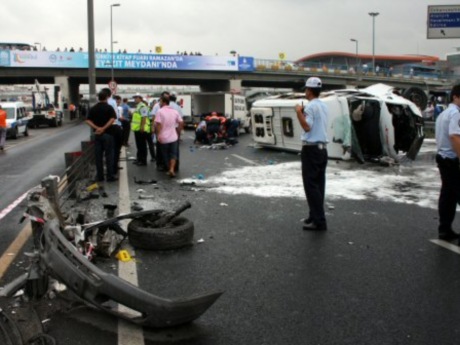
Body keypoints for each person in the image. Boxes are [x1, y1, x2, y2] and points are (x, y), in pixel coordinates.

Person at [295, 77, 329, 231]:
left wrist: (298, 113)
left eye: (305, 89)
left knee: (311, 185)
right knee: (319, 185)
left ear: (309, 90)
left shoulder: (310, 107)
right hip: (322, 150)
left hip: (311, 149)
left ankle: (319, 221)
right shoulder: (324, 106)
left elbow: (307, 127)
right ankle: (314, 214)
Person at [435, 84, 460, 241]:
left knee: (448, 196)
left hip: (443, 158)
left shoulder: (443, 114)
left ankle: (445, 229)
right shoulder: (456, 114)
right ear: (455, 97)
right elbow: (454, 136)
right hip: (452, 160)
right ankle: (445, 229)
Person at [85, 90, 117, 182]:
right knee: (109, 156)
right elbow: (112, 119)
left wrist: (97, 128)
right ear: (107, 97)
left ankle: (100, 176)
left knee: (98, 156)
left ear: (98, 98)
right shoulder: (109, 107)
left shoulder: (93, 108)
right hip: (108, 134)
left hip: (97, 135)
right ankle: (110, 176)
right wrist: (103, 128)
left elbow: (87, 120)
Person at [155, 94, 183, 177]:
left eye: (160, 101)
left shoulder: (160, 111)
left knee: (165, 154)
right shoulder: (175, 111)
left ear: (163, 102)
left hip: (164, 137)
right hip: (173, 137)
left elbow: (158, 124)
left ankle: (168, 168)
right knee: (173, 154)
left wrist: (158, 134)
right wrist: (178, 132)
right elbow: (181, 122)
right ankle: (172, 169)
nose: (159, 103)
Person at [131, 94, 150, 166]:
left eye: (136, 97)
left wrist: (142, 127)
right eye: (134, 97)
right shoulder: (138, 106)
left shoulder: (142, 106)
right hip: (137, 129)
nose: (134, 99)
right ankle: (139, 159)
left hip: (141, 129)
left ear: (140, 98)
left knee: (142, 146)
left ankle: (143, 161)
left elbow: (144, 117)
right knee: (139, 145)